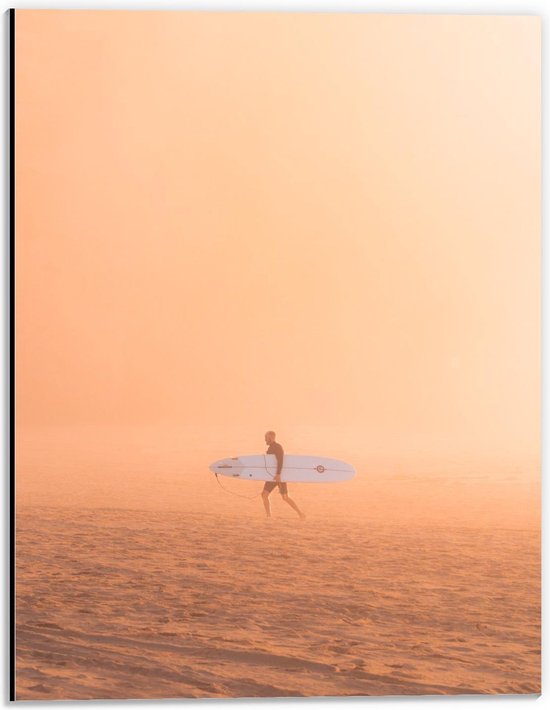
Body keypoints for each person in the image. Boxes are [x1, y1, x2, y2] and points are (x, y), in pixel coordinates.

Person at [262, 431, 305, 519]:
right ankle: (268, 516)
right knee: (264, 495)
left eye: (266, 437)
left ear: (271, 437)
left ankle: (300, 513)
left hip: (279, 476)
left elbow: (280, 460)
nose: (265, 440)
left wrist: (278, 474)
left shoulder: (277, 447)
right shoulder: (271, 448)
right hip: (272, 477)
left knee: (285, 497)